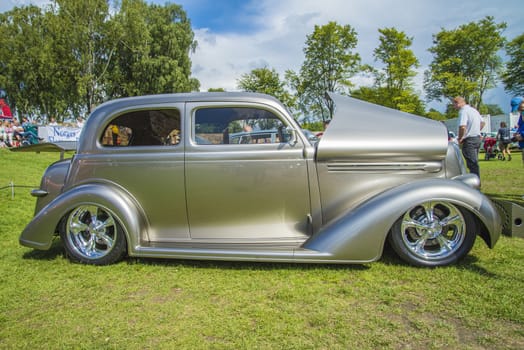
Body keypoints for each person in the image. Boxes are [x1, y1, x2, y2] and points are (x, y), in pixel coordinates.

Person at [453, 96, 485, 178]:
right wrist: (477, 130)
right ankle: (476, 180)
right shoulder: (474, 110)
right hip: (477, 138)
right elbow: (482, 123)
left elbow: (462, 126)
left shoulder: (463, 111)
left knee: (472, 164)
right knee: (474, 161)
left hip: (469, 140)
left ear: (458, 103)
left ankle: (475, 183)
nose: (454, 107)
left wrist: (460, 138)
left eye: (454, 104)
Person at [511, 97, 524, 164]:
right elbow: (520, 125)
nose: (521, 112)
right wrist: (517, 133)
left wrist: (521, 135)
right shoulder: (521, 116)